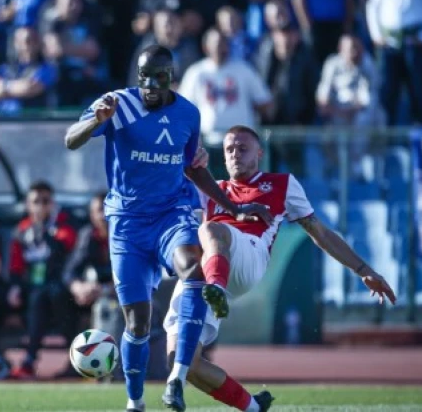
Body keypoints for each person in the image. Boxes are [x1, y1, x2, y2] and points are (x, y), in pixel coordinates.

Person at [64, 45, 270, 412]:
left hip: (171, 213)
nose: (149, 88)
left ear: (169, 78)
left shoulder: (188, 113)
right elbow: (71, 139)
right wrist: (95, 121)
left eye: (157, 80)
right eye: (143, 79)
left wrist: (233, 208)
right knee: (137, 322)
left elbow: (193, 168)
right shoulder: (119, 104)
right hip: (127, 223)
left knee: (193, 268)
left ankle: (176, 378)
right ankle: (135, 401)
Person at [162, 125, 398, 411]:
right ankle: (252, 406)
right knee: (184, 362)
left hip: (248, 258)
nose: (235, 154)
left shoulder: (281, 184)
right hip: (208, 270)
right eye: (229, 150)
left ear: (259, 154)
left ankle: (216, 288)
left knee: (211, 229)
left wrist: (363, 269)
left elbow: (320, 233)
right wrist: (186, 159)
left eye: (243, 148)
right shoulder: (213, 189)